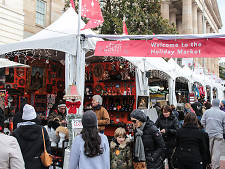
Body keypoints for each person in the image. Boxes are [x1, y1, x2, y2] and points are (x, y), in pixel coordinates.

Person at [12, 104, 51, 169]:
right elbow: (47, 148)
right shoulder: (42, 130)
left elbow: (14, 152)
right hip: (39, 165)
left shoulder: (16, 132)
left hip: (22, 165)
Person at [201, 99, 225, 169]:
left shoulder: (207, 112)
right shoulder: (223, 113)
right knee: (217, 152)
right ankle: (215, 166)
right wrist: (223, 132)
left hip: (209, 133)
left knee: (209, 150)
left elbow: (202, 122)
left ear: (212, 103)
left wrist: (206, 128)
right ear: (218, 104)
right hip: (219, 134)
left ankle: (208, 164)